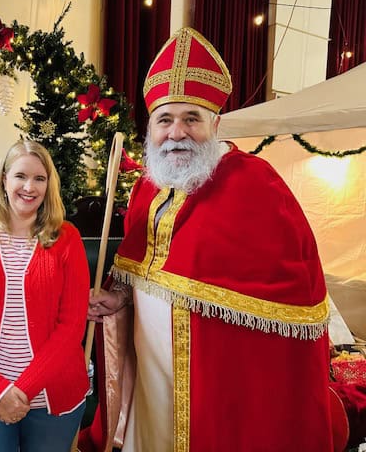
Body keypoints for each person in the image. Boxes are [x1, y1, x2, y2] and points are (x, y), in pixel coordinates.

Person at [84, 27, 333, 451]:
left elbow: (291, 299)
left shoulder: (256, 185)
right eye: (165, 119)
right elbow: (147, 269)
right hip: (151, 377)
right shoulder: (149, 185)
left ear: (215, 123)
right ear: (151, 127)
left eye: (191, 119)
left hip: (223, 380)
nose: (176, 132)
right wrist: (120, 297)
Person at [0, 139, 90, 452]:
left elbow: (71, 325)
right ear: (4, 179)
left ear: (49, 185)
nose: (29, 187)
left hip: (54, 395)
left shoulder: (67, 238)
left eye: (39, 178)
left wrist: (23, 390)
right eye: (20, 176)